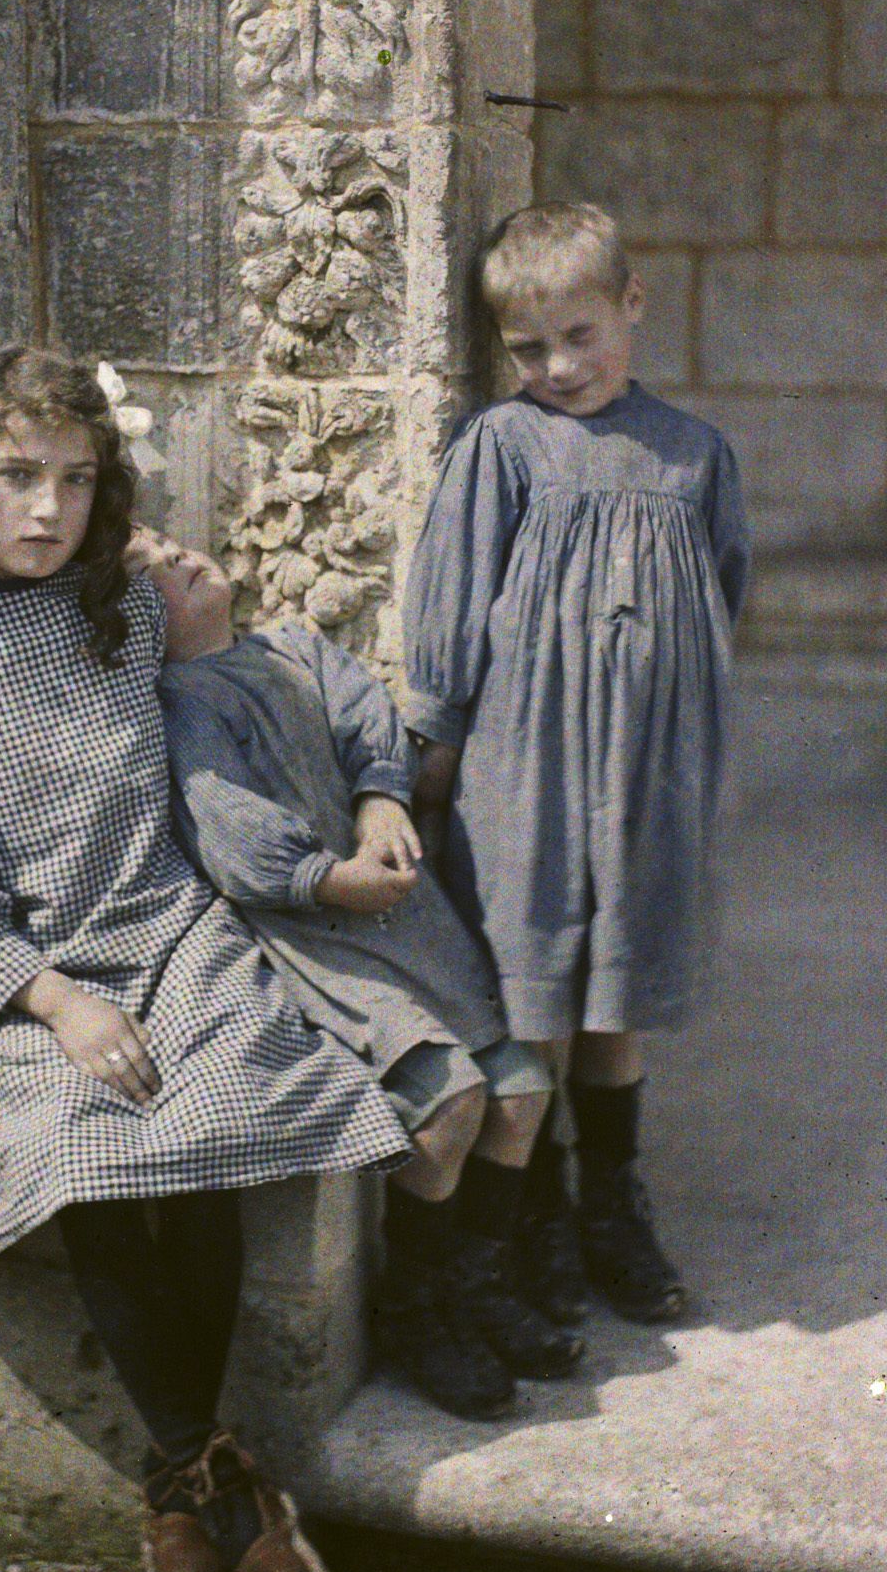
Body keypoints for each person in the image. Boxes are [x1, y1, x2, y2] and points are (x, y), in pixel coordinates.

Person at [0, 346, 414, 1572]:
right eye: (13, 478)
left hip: (172, 931)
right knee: (86, 1147)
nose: (45, 510)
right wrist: (51, 1002)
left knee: (208, 1117)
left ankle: (187, 1482)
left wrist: (210, 634)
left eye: (73, 479)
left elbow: (263, 705)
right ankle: (213, 1478)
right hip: (36, 971)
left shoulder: (120, 611)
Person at [126, 527, 584, 1424]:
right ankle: (415, 1302)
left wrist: (379, 798)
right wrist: (328, 878)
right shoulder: (183, 705)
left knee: (523, 1088)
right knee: (450, 1100)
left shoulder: (290, 649)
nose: (179, 559)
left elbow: (364, 715)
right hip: (318, 928)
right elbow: (229, 835)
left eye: (172, 546)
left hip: (398, 908)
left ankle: (475, 1277)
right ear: (136, 621)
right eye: (151, 572)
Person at [403, 203, 750, 1325]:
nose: (559, 366)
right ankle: (533, 1215)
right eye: (530, 347)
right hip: (530, 765)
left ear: (632, 305)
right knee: (533, 988)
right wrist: (435, 757)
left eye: (582, 335)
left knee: (617, 996)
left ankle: (611, 1204)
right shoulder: (501, 447)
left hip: (647, 767)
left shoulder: (694, 454)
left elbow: (722, 594)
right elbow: (451, 609)